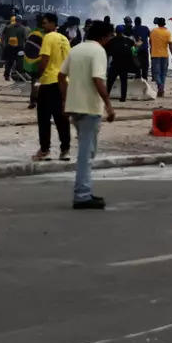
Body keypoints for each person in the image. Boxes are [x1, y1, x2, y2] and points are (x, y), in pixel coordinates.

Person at [61, 18, 116, 210]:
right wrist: (109, 105)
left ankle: (84, 190)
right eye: (109, 37)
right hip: (90, 108)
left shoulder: (76, 49)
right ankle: (82, 195)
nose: (109, 40)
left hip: (74, 107)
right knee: (86, 152)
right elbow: (98, 79)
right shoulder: (98, 51)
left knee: (89, 150)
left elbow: (61, 75)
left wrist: (66, 99)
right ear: (103, 36)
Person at [30, 12, 71, 161]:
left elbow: (44, 59)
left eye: (46, 23)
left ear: (53, 24)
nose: (43, 25)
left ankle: (45, 149)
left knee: (44, 117)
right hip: (63, 81)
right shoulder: (65, 39)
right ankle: (65, 150)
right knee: (62, 118)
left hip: (48, 82)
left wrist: (38, 77)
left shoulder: (48, 37)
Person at [148, 17, 172, 98]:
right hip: (165, 55)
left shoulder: (153, 31)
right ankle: (161, 88)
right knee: (163, 73)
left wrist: (151, 50)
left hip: (155, 55)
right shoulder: (168, 32)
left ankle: (160, 86)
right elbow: (170, 45)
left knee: (156, 73)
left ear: (158, 23)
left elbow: (150, 42)